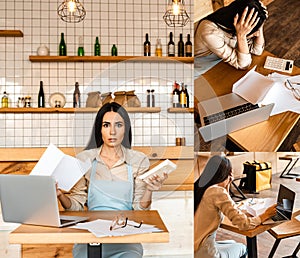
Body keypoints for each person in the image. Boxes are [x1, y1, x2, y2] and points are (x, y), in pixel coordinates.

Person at [57, 102, 168, 258]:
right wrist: (60, 195)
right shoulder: (84, 159)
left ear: (126, 129)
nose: (113, 131)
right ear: (100, 129)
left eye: (118, 125)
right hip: (90, 235)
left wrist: (149, 189)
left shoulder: (138, 160)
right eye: (106, 125)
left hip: (126, 236)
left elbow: (140, 209)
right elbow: (76, 207)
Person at [194, 155, 276, 258]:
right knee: (242, 248)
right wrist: (265, 215)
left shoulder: (199, 187)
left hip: (194, 248)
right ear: (227, 174)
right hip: (205, 253)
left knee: (232, 243)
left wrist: (227, 185)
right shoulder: (217, 191)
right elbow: (244, 224)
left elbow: (224, 204)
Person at [194, 0, 268, 73]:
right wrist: (241, 36)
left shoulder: (232, 23)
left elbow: (257, 51)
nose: (256, 34)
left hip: (222, 59)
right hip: (203, 66)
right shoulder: (210, 33)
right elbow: (243, 65)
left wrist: (260, 22)